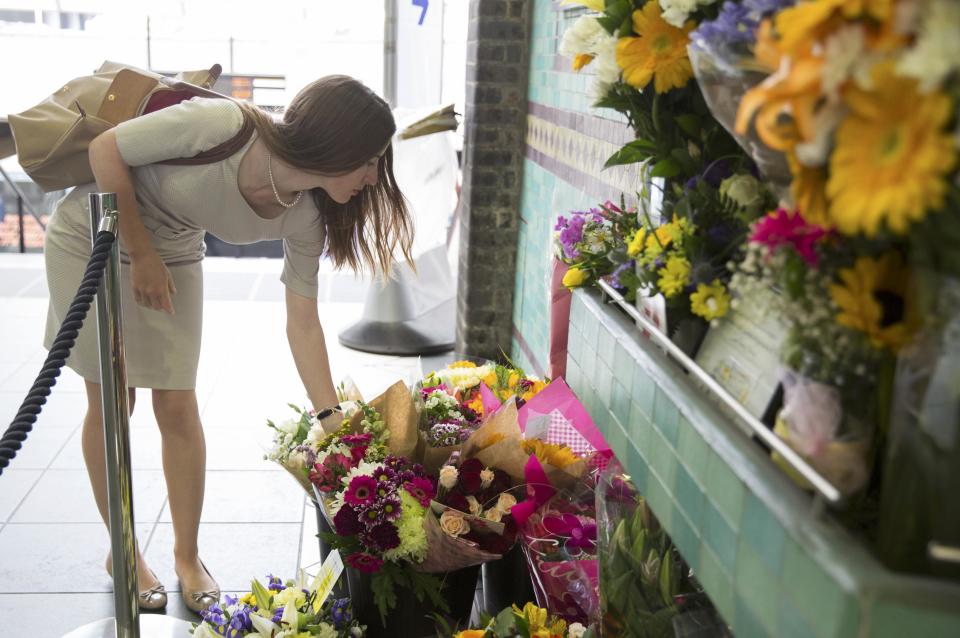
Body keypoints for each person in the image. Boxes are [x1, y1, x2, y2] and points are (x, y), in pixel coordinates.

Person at [42, 75, 413, 613]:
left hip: (173, 253)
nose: (374, 176)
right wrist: (140, 253)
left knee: (176, 403)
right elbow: (107, 149)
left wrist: (333, 418)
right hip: (94, 236)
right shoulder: (225, 125)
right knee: (113, 400)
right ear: (340, 142)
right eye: (371, 159)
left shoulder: (307, 213)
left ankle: (187, 557)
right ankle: (122, 552)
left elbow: (302, 321)